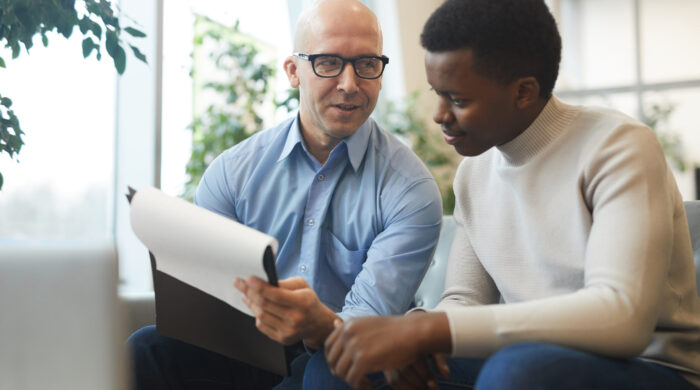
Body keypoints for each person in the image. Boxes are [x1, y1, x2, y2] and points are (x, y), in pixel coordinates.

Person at [321, 0, 700, 389]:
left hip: (650, 368)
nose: (438, 114)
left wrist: (430, 331)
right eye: (437, 93)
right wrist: (418, 331)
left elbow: (623, 319)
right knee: (343, 365)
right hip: (531, 358)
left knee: (518, 371)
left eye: (458, 99)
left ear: (523, 92)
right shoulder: (474, 173)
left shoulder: (619, 148)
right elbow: (464, 300)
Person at [126, 0, 443, 389]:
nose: (349, 83)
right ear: (294, 71)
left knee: (327, 373)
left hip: (345, 355)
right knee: (147, 348)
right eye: (328, 62)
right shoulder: (232, 173)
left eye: (366, 64)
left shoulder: (411, 188)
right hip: (249, 348)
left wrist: (317, 323)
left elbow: (367, 327)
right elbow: (208, 306)